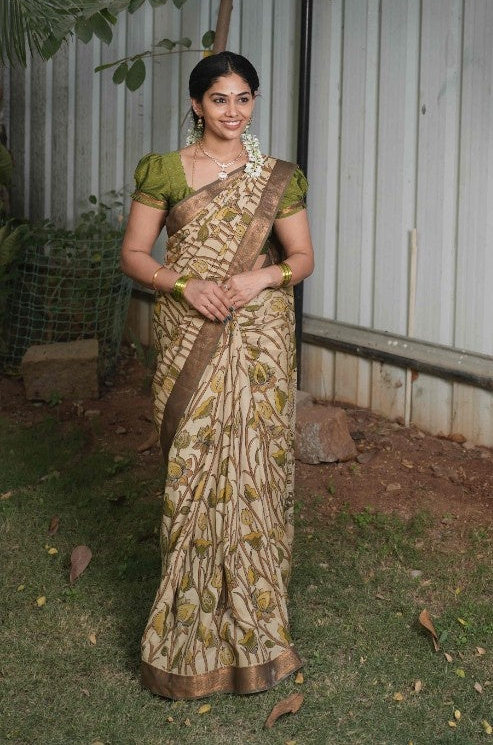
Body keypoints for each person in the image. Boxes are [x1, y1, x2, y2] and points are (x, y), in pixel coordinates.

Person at [120, 51, 314, 700]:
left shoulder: (276, 177)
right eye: (221, 99)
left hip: (258, 333)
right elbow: (134, 253)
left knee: (255, 465)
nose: (234, 111)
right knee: (194, 469)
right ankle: (187, 629)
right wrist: (185, 283)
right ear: (197, 104)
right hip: (190, 329)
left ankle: (259, 628)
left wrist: (261, 275)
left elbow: (302, 256)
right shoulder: (166, 171)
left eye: (245, 98)